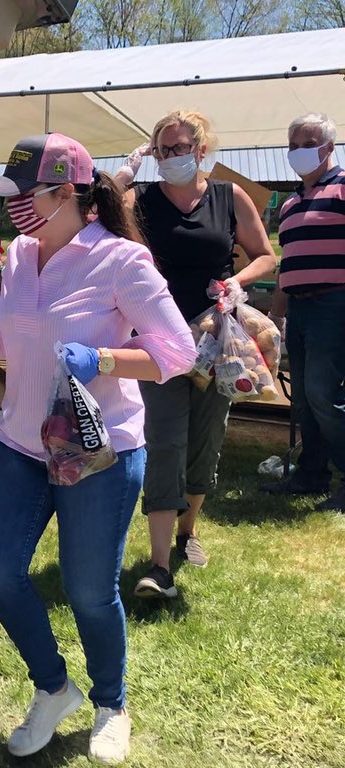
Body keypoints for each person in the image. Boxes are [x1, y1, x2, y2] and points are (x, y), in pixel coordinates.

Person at [0, 133, 195, 763]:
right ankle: (54, 688)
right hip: (22, 442)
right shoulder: (19, 255)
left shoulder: (122, 261)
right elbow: (15, 337)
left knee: (88, 591)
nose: (15, 208)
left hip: (98, 451)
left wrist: (103, 358)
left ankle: (112, 702)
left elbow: (179, 353)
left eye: (26, 195)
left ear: (67, 194)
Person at [115, 111, 276, 598]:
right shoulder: (140, 200)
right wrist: (123, 177)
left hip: (215, 342)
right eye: (163, 150)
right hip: (158, 341)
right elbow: (96, 223)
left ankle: (188, 532)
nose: (171, 157)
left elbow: (265, 254)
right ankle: (159, 565)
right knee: (164, 441)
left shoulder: (229, 197)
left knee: (205, 439)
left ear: (201, 149)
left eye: (180, 148)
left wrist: (237, 281)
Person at [262, 113, 345, 511]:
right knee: (303, 399)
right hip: (299, 308)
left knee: (322, 393)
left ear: (329, 147)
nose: (297, 152)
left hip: (334, 303)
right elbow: (287, 265)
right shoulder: (291, 204)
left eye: (307, 144)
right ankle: (311, 474)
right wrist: (276, 315)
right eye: (292, 145)